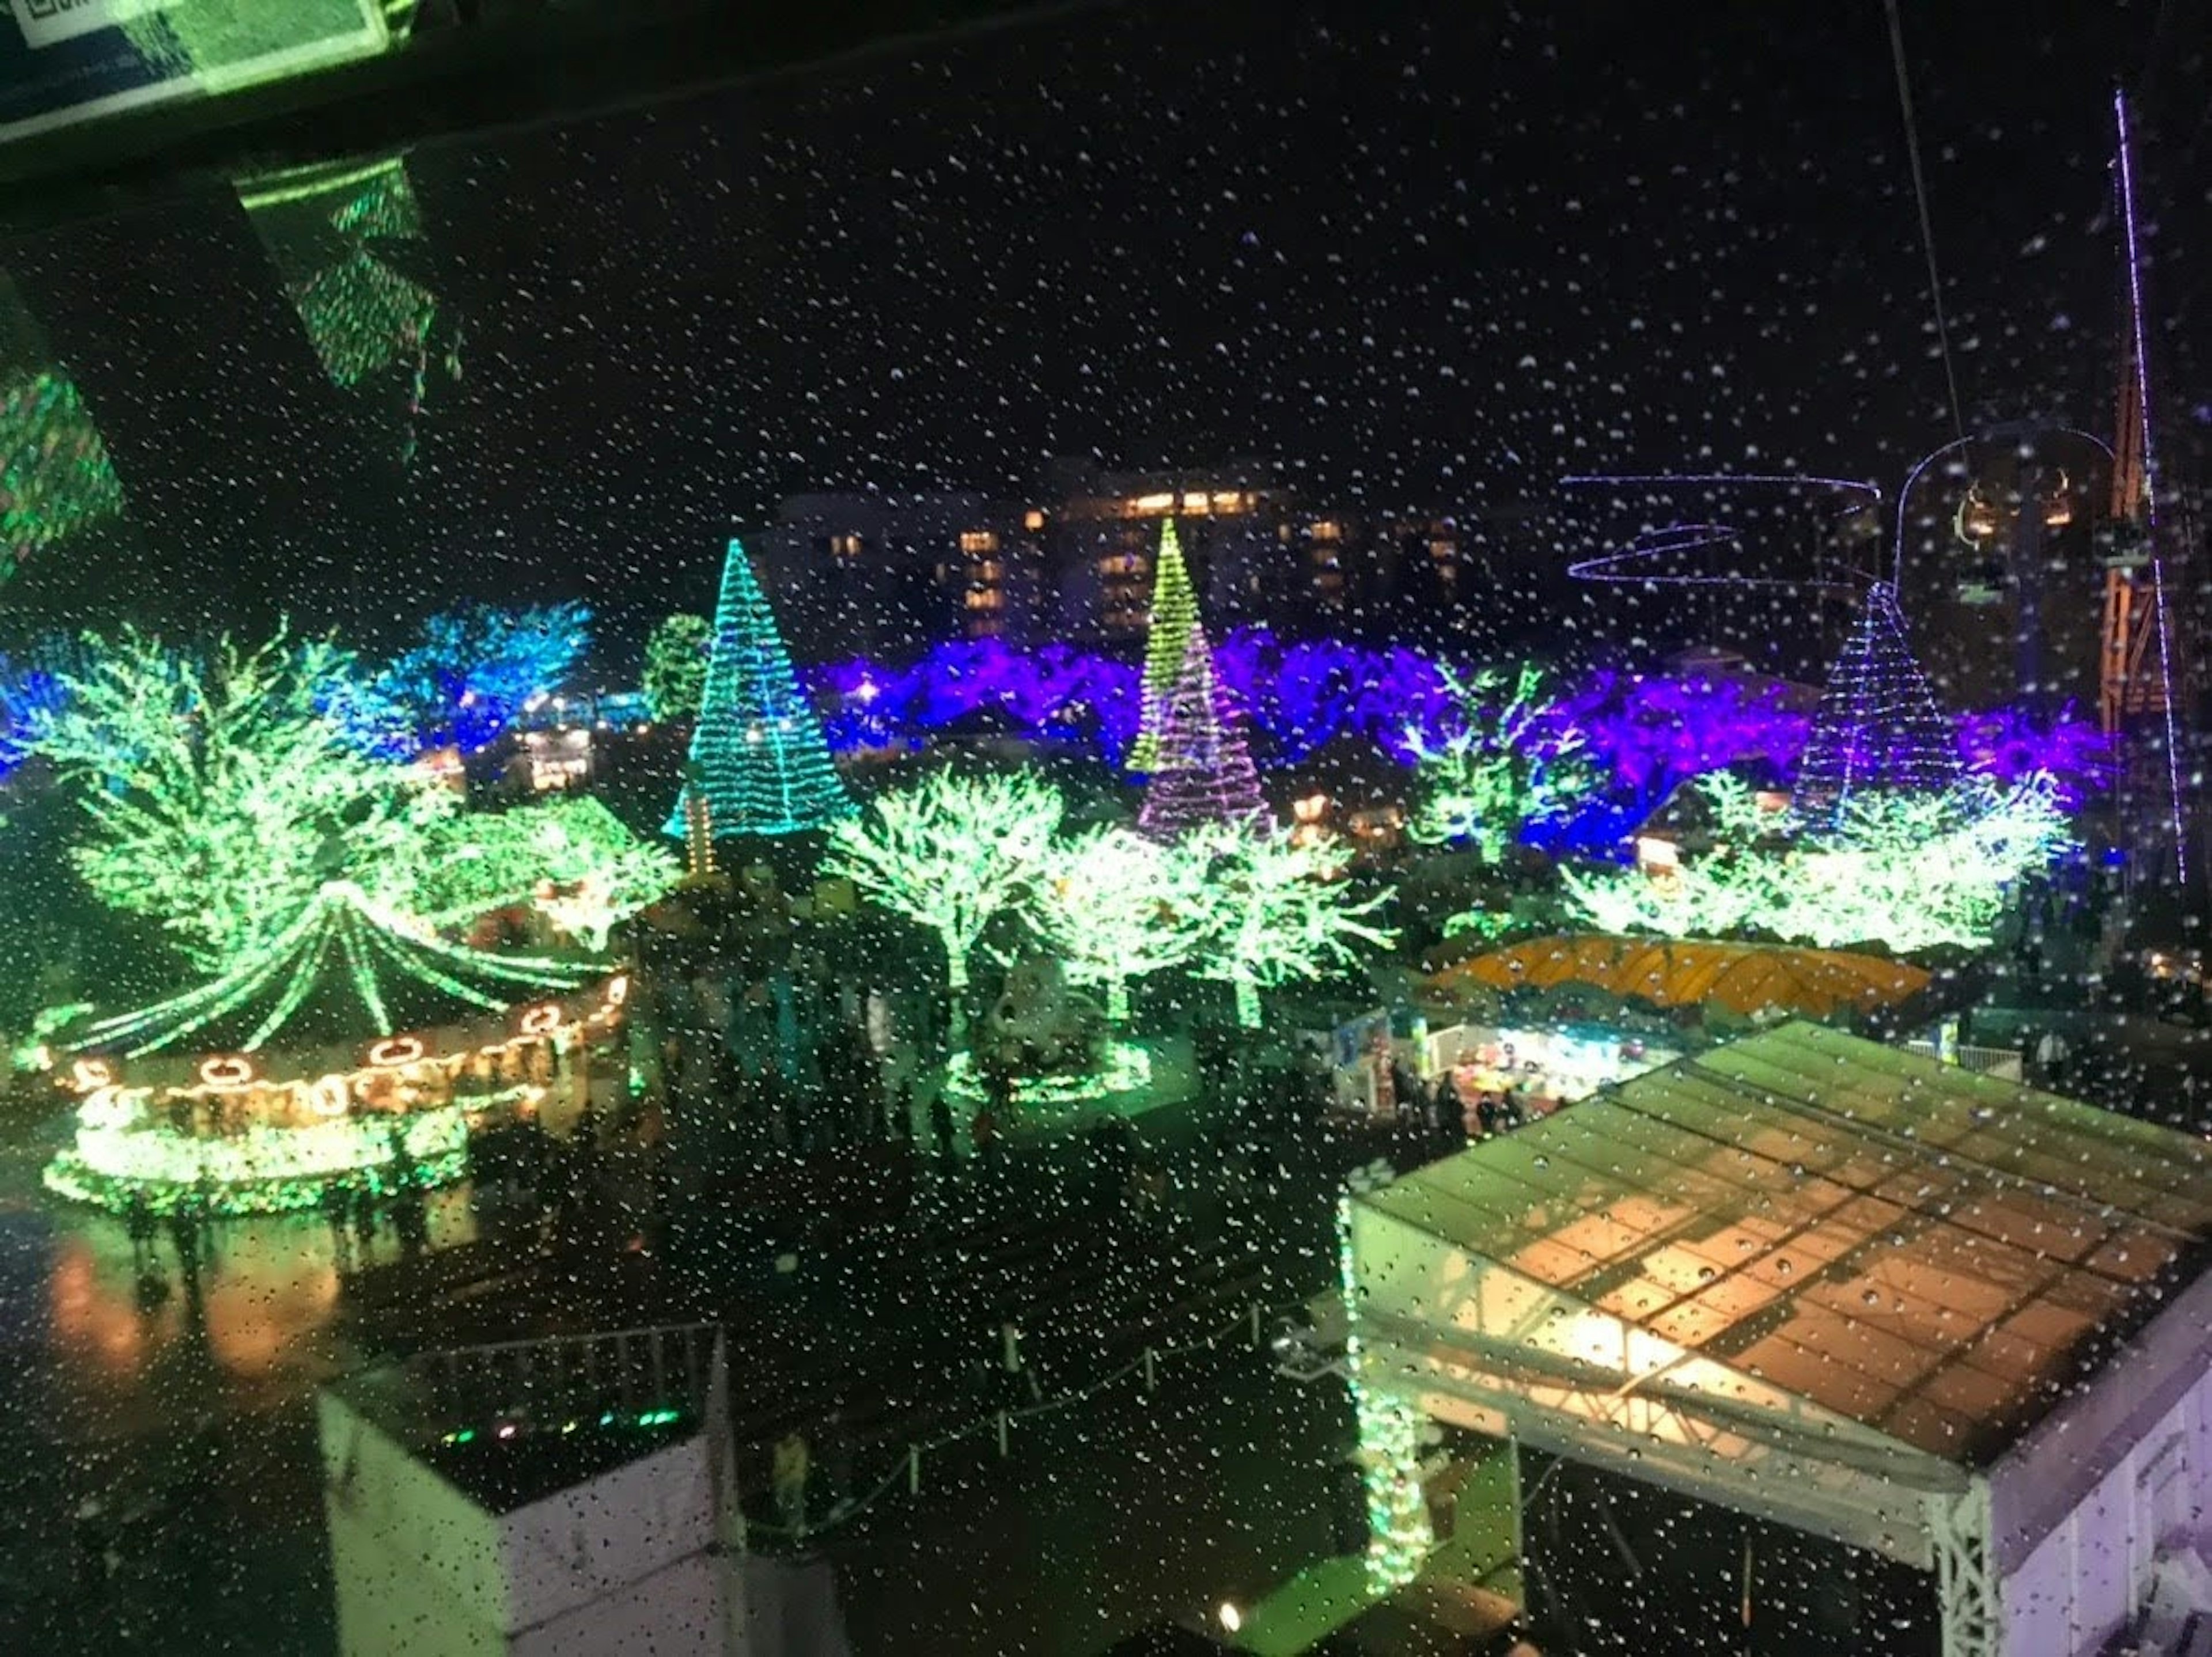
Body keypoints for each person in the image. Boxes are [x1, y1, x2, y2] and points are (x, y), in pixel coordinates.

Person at [929, 1090, 956, 1160]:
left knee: (941, 1139)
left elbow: (930, 1114)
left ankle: (943, 1152)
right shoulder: (941, 1104)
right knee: (944, 1139)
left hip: (940, 1125)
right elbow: (948, 1114)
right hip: (942, 1125)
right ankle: (946, 1153)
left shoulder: (935, 1104)